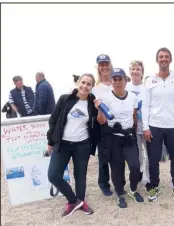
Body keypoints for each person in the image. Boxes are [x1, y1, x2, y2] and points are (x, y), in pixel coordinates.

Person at [47, 73, 100, 217]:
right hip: (62, 143)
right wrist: (50, 142)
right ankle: (74, 200)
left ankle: (80, 202)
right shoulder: (65, 99)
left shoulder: (92, 103)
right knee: (53, 175)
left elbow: (98, 124)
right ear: (78, 83)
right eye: (83, 82)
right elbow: (53, 120)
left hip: (82, 145)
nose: (85, 86)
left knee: (80, 176)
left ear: (92, 87)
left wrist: (99, 108)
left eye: (89, 84)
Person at [142, 47, 174, 202]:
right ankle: (154, 185)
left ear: (170, 59)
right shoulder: (149, 81)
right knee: (153, 159)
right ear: (157, 60)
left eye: (166, 56)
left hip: (173, 125)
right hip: (154, 126)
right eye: (161, 57)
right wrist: (145, 127)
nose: (163, 59)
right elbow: (145, 106)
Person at [96, 68, 144, 208]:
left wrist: (133, 134)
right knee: (117, 169)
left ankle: (133, 190)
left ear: (125, 80)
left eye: (120, 79)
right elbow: (101, 121)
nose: (117, 82)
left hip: (128, 137)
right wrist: (100, 112)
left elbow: (134, 116)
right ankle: (120, 193)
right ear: (111, 81)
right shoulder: (105, 98)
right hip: (113, 138)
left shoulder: (133, 98)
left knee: (135, 166)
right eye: (114, 79)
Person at [126, 60, 149, 184]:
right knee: (137, 153)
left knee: (148, 154)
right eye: (133, 69)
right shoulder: (126, 87)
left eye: (138, 69)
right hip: (132, 127)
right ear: (129, 72)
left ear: (142, 72)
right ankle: (139, 174)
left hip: (145, 126)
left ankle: (148, 177)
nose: (135, 72)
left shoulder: (146, 89)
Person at [93, 54, 113, 196]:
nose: (104, 67)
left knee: (118, 155)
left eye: (107, 64)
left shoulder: (117, 82)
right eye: (102, 64)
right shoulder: (95, 89)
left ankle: (119, 181)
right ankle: (104, 183)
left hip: (118, 124)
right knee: (103, 156)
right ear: (98, 67)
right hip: (103, 125)